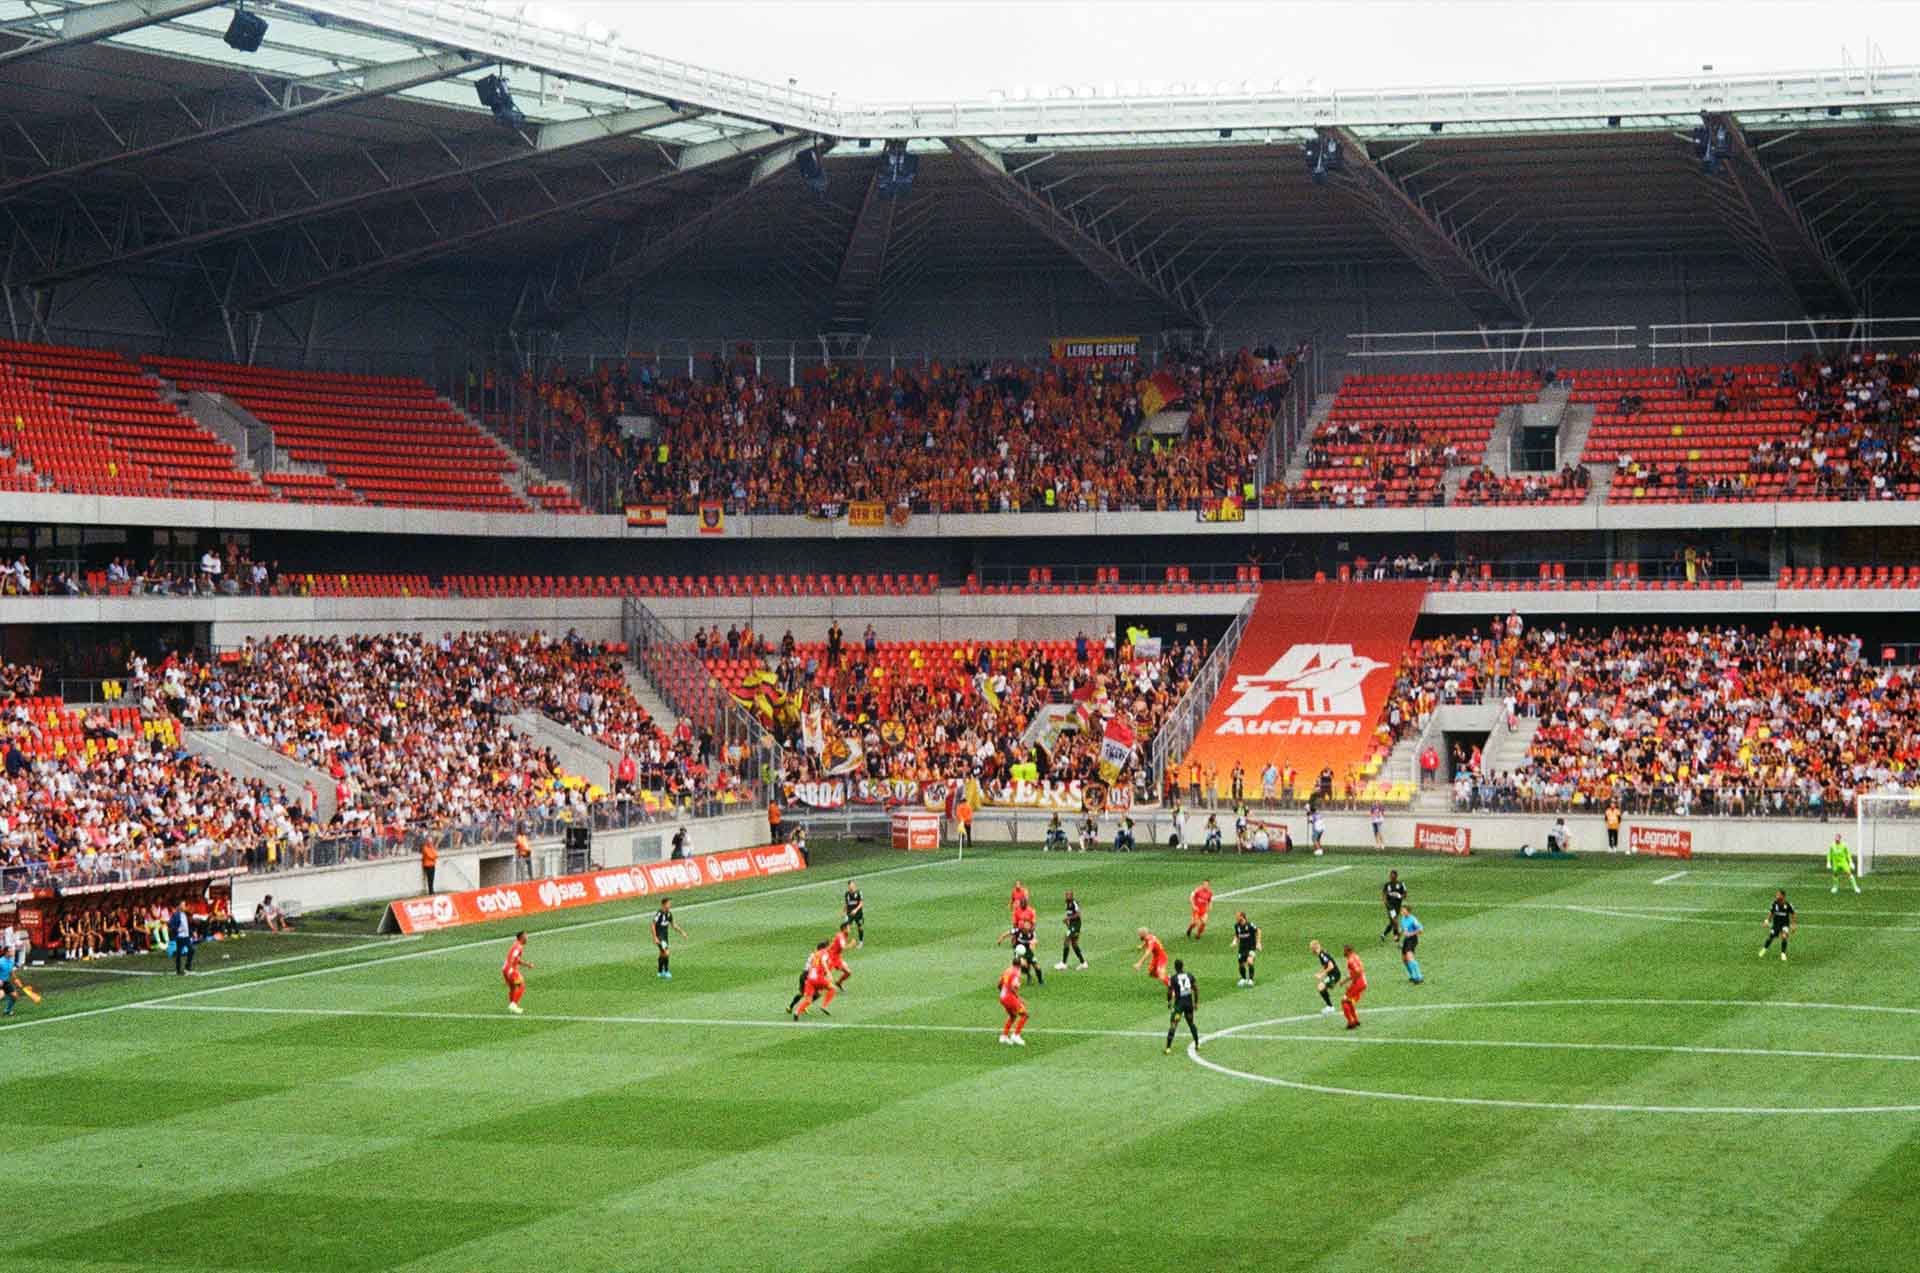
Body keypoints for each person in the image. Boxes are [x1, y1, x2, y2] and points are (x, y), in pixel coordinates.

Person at [996, 903, 1043, 986]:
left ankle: (1041, 981)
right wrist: (1000, 939)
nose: (1028, 925)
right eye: (1026, 924)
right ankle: (1028, 975)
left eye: (1029, 924)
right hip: (1019, 951)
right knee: (1023, 964)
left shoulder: (1032, 933)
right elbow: (1008, 933)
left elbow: (1035, 941)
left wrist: (1033, 944)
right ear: (1024, 924)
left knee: (1037, 967)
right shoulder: (1018, 930)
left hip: (1028, 951)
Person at [788, 942, 835, 1018]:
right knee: (832, 989)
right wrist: (828, 973)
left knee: (808, 998)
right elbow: (823, 962)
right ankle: (824, 1006)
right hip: (817, 978)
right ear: (825, 947)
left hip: (809, 978)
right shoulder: (824, 953)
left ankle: (797, 1012)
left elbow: (811, 967)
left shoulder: (815, 954)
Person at [1164, 959, 1200, 1055]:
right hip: (1189, 1005)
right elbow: (1196, 989)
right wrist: (1196, 1002)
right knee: (1191, 1023)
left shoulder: (1173, 978)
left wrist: (1169, 1002)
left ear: (1175, 967)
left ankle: (1168, 1048)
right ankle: (1197, 1044)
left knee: (1173, 1024)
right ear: (1182, 966)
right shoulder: (1189, 975)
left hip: (1179, 1006)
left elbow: (1169, 992)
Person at [651, 898, 687, 979]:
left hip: (665, 937)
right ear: (663, 904)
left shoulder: (669, 914)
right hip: (660, 937)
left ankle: (660, 972)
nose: (670, 905)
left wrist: (682, 932)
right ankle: (666, 971)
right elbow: (652, 924)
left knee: (662, 954)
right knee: (666, 953)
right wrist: (655, 937)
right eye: (668, 904)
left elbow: (673, 925)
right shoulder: (659, 913)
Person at [997, 958, 1029, 1046]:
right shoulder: (1017, 973)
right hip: (1009, 997)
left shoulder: (1008, 970)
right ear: (1020, 965)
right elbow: (1013, 987)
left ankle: (1004, 1036)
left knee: (1013, 1016)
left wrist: (1003, 993)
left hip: (1002, 997)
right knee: (1025, 1015)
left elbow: (999, 984)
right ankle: (1016, 1035)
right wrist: (1018, 998)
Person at [1056, 890, 1087, 971]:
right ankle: (1083, 963)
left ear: (1072, 896)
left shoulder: (1074, 903)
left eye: (1069, 895)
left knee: (1066, 940)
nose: (1067, 896)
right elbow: (1069, 914)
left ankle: (1063, 963)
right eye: (1066, 895)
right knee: (1074, 944)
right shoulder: (1067, 903)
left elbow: (1078, 914)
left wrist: (1068, 918)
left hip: (1076, 925)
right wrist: (1067, 923)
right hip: (1072, 926)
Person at [1761, 889, 1795, 961]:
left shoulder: (1788, 904)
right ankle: (1764, 949)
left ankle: (1783, 954)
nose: (1777, 896)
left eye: (1778, 895)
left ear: (1783, 896)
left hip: (1785, 924)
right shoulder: (1774, 903)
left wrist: (1793, 925)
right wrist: (1767, 921)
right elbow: (1771, 913)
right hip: (1776, 924)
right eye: (1777, 894)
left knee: (1784, 936)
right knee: (1771, 937)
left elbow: (1793, 914)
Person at [503, 931, 531, 1014]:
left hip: (505, 969)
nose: (527, 938)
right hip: (511, 971)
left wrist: (526, 964)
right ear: (521, 937)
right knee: (521, 986)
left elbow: (516, 959)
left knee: (513, 988)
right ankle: (513, 1005)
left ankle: (513, 1007)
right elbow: (513, 957)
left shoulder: (516, 945)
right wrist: (511, 970)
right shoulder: (518, 947)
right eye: (526, 936)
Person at [1310, 939, 1340, 1014]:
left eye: (1311, 948)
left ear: (1314, 948)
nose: (1311, 951)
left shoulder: (1323, 954)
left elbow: (1331, 966)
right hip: (1332, 975)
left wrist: (1321, 975)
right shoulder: (1321, 954)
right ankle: (1330, 1006)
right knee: (1321, 987)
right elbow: (1325, 966)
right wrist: (1319, 972)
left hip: (1334, 975)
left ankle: (1330, 1007)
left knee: (1321, 987)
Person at [1340, 945, 1367, 1030]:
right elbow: (1359, 970)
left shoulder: (1350, 961)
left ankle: (1351, 1022)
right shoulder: (1356, 956)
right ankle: (1355, 1020)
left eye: (1344, 951)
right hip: (1363, 982)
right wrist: (1345, 981)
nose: (1343, 952)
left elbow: (1358, 971)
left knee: (1344, 1000)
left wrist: (1353, 983)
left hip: (1359, 983)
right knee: (1349, 1001)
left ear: (1348, 951)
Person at [1231, 910, 1261, 986]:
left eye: (1237, 916)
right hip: (1242, 948)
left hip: (1251, 947)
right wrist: (1234, 941)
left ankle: (1251, 980)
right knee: (1241, 964)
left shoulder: (1249, 924)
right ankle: (1243, 979)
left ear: (1242, 917)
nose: (1236, 917)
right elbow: (1237, 935)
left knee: (1250, 961)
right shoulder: (1236, 925)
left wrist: (1258, 943)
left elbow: (1258, 931)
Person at [1398, 906, 1425, 983]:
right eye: (1401, 910)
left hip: (1412, 940)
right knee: (1404, 959)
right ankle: (1412, 976)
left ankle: (1419, 976)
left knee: (1410, 957)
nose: (1402, 912)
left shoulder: (1413, 919)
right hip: (1406, 940)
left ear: (1408, 911)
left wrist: (1411, 933)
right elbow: (1403, 929)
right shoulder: (1403, 918)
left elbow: (1421, 929)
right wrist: (1398, 935)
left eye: (1404, 910)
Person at [1380, 869, 1407, 943]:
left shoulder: (1401, 884)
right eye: (1391, 876)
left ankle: (1383, 935)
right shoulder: (1387, 885)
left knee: (1392, 923)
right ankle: (1397, 938)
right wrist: (1385, 903)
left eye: (1393, 876)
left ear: (1396, 876)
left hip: (1397, 906)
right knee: (1395, 921)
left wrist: (1401, 896)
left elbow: (1405, 894)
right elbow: (1384, 895)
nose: (1391, 877)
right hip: (1390, 906)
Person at [168, 902, 195, 975]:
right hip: (180, 937)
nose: (184, 906)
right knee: (179, 953)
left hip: (186, 936)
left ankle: (187, 967)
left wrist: (191, 933)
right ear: (179, 906)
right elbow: (170, 924)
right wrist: (176, 930)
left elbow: (187, 925)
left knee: (191, 950)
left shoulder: (185, 914)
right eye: (183, 905)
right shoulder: (176, 915)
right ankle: (178, 970)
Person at [826, 921, 854, 988]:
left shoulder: (844, 935)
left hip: (837, 958)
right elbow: (843, 947)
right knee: (826, 975)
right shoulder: (840, 936)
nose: (850, 929)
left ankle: (838, 983)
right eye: (848, 927)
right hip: (831, 957)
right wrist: (851, 944)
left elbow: (833, 944)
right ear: (844, 928)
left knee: (848, 972)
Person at [843, 880, 865, 946]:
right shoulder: (847, 894)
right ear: (848, 886)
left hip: (858, 913)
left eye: (852, 885)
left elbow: (861, 903)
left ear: (854, 885)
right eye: (850, 885)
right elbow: (846, 903)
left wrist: (856, 910)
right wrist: (844, 911)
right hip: (850, 913)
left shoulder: (859, 892)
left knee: (860, 927)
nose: (851, 886)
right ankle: (844, 942)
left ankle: (861, 942)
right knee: (847, 927)